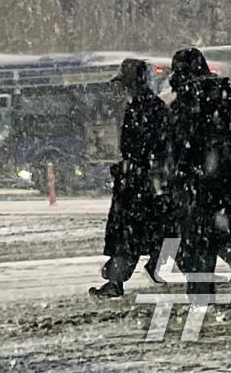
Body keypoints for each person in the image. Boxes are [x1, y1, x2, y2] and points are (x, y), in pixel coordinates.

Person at [166, 47, 231, 312]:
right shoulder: (228, 97)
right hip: (228, 184)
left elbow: (179, 147)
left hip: (197, 187)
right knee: (229, 239)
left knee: (198, 246)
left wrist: (179, 174)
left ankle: (202, 301)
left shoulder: (186, 103)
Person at [90, 58, 170, 298]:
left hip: (139, 183)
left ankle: (118, 280)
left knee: (129, 235)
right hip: (146, 181)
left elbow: (143, 147)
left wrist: (132, 168)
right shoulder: (151, 106)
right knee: (155, 231)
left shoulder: (142, 108)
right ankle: (153, 265)